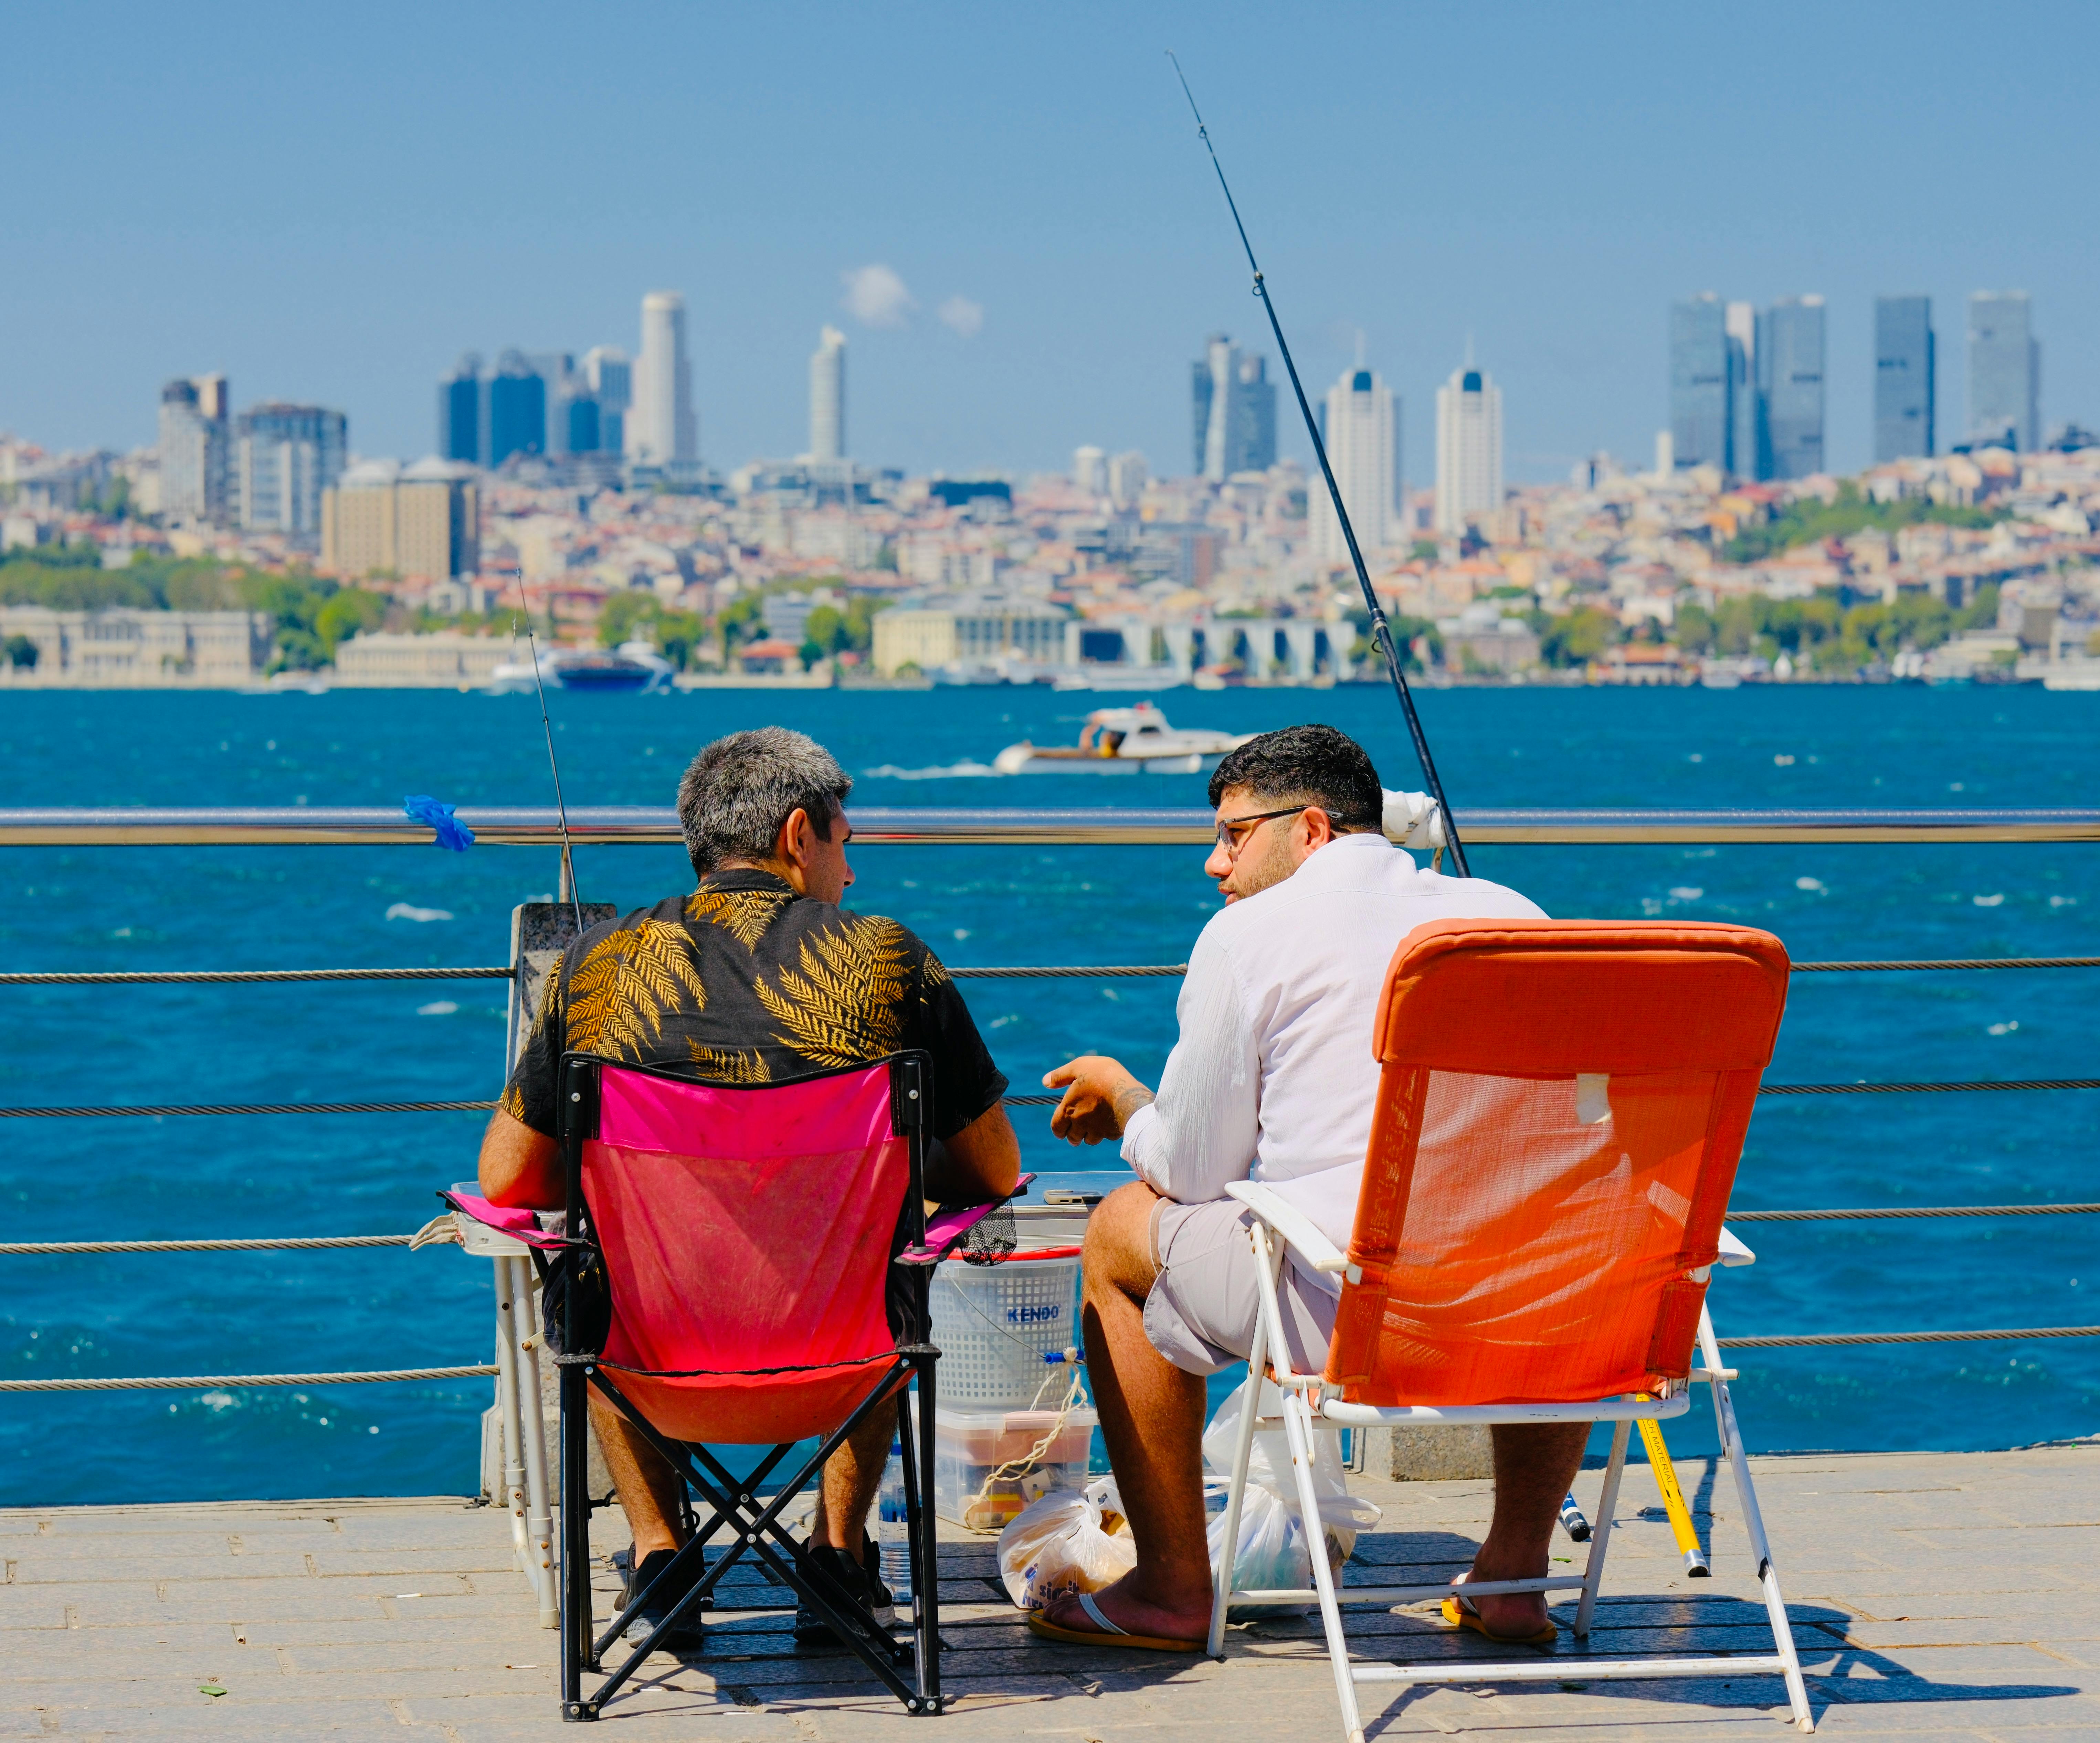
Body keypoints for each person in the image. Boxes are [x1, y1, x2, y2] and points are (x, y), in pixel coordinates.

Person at [1033, 723, 1580, 1652]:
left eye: (1233, 834)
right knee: (1519, 1234)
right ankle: (1515, 1576)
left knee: (1122, 1228)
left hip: (1358, 1319)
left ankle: (1171, 1588)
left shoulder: (1249, 935)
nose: (1215, 863)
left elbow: (1192, 1173)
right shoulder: (1516, 916)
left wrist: (1126, 1098)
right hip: (1551, 1312)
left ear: (1313, 829)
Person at [478, 727, 1019, 1650]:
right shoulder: (886, 961)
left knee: (592, 1267)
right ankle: (838, 1554)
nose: (850, 872)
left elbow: (509, 1176)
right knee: (888, 1255)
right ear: (799, 834)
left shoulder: (597, 969)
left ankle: (661, 1556)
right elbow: (995, 1169)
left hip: (651, 1370)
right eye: (844, 843)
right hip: (847, 1367)